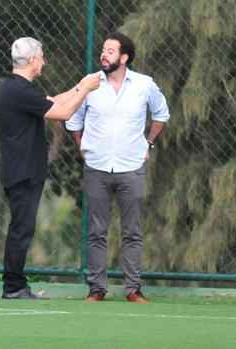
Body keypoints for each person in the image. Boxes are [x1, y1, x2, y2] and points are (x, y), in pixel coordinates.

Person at [0, 37, 101, 300]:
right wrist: (85, 90)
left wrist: (81, 85)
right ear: (32, 60)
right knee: (21, 229)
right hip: (22, 171)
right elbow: (63, 113)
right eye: (42, 56)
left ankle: (16, 285)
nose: (45, 61)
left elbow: (54, 101)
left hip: (23, 169)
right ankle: (14, 287)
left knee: (22, 227)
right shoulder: (18, 91)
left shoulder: (17, 89)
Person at [67, 32, 169, 304]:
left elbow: (161, 114)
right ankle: (96, 289)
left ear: (124, 58)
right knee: (96, 231)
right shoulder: (90, 84)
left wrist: (148, 144)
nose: (104, 54)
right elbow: (73, 119)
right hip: (97, 167)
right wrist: (82, 147)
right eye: (103, 50)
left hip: (131, 167)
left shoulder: (144, 85)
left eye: (110, 51)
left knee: (132, 231)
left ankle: (133, 289)